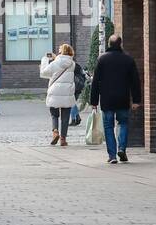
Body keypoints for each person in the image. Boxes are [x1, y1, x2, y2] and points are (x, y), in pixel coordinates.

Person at [89, 34, 142, 164]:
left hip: (107, 99)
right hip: (123, 98)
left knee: (108, 126)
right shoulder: (128, 59)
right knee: (123, 123)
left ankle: (112, 155)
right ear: (120, 44)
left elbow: (96, 82)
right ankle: (122, 148)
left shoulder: (102, 60)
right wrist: (136, 100)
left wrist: (94, 101)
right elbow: (135, 81)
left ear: (108, 44)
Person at [39, 43, 77, 147]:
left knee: (54, 114)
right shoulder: (72, 64)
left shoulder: (55, 63)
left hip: (55, 91)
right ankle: (63, 139)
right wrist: (57, 58)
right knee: (65, 117)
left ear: (61, 52)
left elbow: (44, 73)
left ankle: (55, 131)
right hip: (67, 93)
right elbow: (64, 62)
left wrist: (45, 59)